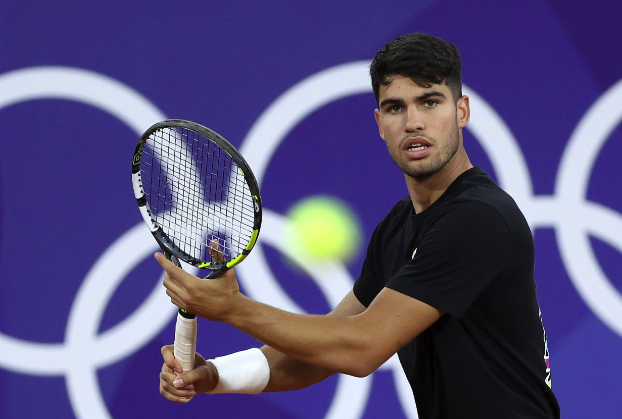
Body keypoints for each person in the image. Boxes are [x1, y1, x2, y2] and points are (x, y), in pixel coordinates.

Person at [157, 32, 560, 418]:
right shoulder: (399, 227)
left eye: (430, 102)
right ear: (379, 122)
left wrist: (232, 310)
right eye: (396, 107)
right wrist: (214, 375)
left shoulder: (479, 219)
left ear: (462, 112)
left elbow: (361, 348)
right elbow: (321, 351)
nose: (413, 122)